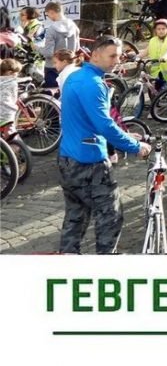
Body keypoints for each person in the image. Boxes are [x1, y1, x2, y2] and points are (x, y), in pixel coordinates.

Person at [57, 36, 151, 254]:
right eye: (112, 56)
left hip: (67, 157)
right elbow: (104, 125)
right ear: (95, 55)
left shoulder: (75, 77)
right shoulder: (93, 84)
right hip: (89, 162)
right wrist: (135, 146)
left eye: (119, 56)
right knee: (110, 215)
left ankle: (67, 257)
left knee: (75, 215)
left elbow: (87, 119)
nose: (117, 61)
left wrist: (125, 134)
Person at [39, 1, 80, 88]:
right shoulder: (74, 26)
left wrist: (37, 48)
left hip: (53, 67)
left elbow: (48, 53)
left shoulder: (51, 30)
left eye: (48, 15)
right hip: (69, 66)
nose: (48, 17)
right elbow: (77, 48)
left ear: (52, 12)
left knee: (52, 93)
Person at [137, 19, 167, 90]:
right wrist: (137, 57)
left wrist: (164, 57)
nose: (161, 31)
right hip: (157, 72)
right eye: (159, 29)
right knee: (157, 90)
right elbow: (147, 51)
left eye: (163, 29)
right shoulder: (153, 41)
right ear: (155, 30)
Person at [0, 59, 22, 132]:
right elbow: (14, 98)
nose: (17, 75)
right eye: (16, 73)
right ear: (10, 73)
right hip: (8, 114)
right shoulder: (13, 83)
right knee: (10, 132)